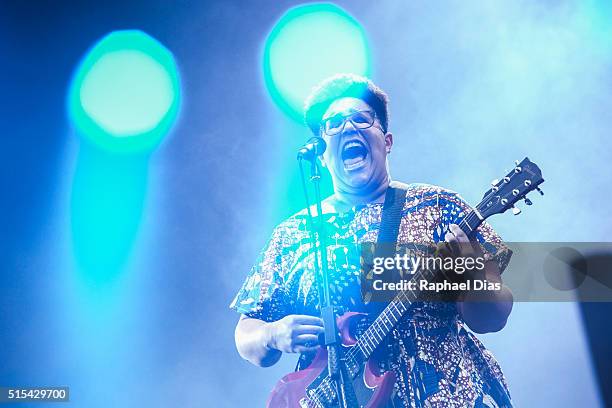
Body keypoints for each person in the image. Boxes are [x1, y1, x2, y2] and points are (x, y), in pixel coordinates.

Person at [230, 74, 514, 407]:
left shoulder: (438, 207)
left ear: (387, 141)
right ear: (321, 154)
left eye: (361, 119)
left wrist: (469, 271)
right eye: (333, 124)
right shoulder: (292, 234)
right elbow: (246, 333)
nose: (348, 128)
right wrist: (273, 333)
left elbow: (492, 317)